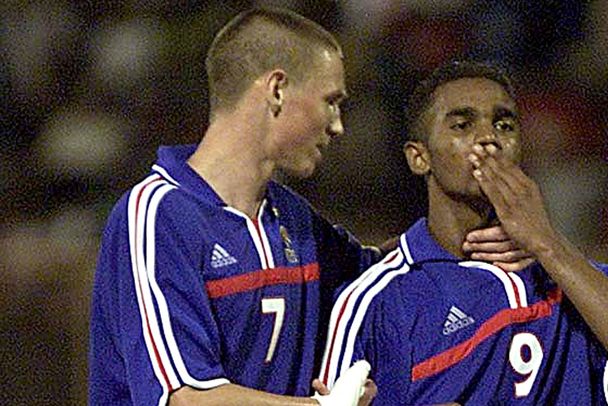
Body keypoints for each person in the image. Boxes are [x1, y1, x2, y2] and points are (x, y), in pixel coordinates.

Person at [88, 9, 527, 406]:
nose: (337, 126)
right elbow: (185, 398)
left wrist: (498, 244)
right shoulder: (157, 214)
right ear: (277, 89)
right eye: (331, 101)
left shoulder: (289, 218)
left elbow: (387, 271)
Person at [320, 61, 608, 405]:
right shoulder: (379, 299)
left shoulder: (567, 277)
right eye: (462, 125)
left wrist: (547, 243)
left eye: (504, 125)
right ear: (420, 157)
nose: (488, 139)